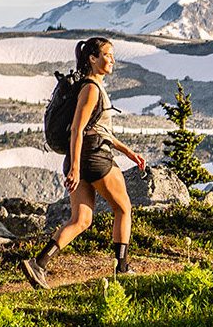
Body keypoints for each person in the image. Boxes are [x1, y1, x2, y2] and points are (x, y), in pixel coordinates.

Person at [21, 37, 146, 289]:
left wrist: (128, 152)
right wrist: (77, 167)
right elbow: (78, 129)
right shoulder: (91, 88)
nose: (112, 59)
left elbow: (97, 129)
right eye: (107, 55)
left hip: (82, 156)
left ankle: (39, 264)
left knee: (81, 220)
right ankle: (121, 267)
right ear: (92, 58)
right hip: (94, 158)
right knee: (123, 209)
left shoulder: (92, 86)